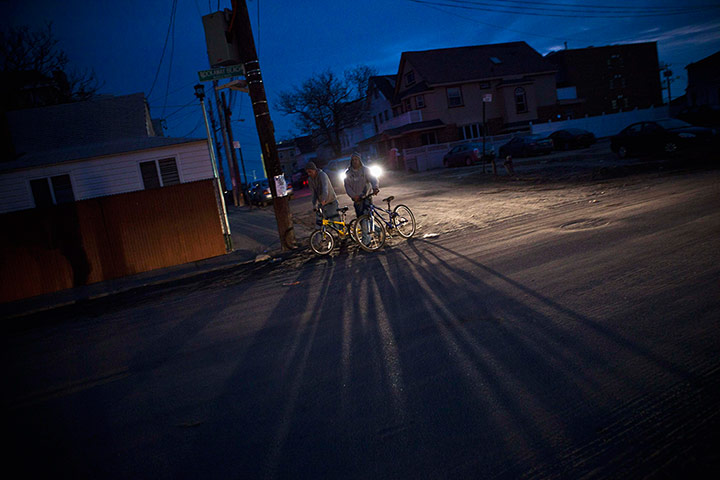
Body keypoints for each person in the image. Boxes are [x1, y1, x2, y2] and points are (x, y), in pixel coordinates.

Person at [344, 152, 380, 244]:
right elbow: (347, 187)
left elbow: (373, 179)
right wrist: (353, 196)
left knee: (366, 219)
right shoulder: (348, 173)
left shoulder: (365, 170)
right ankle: (378, 230)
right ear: (351, 161)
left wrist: (375, 187)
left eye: (356, 159)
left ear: (360, 160)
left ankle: (366, 242)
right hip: (357, 200)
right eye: (353, 160)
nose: (355, 161)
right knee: (362, 220)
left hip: (367, 197)